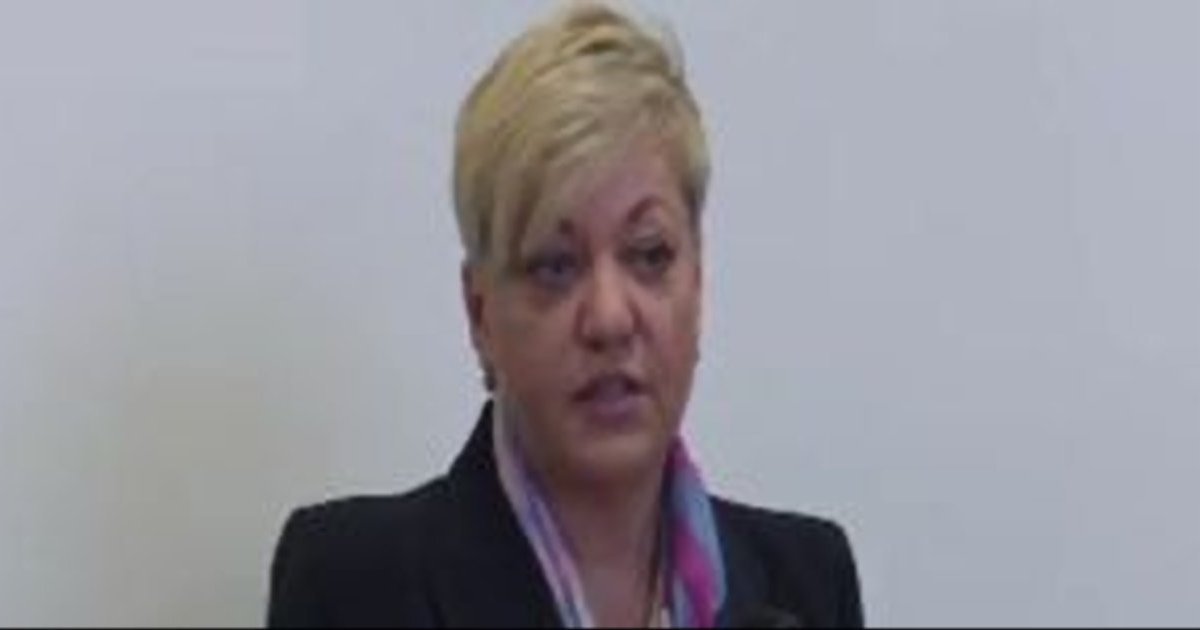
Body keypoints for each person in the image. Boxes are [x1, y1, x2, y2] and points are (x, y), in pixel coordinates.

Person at [267, 2, 864, 627]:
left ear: (698, 283)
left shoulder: (807, 584)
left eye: (650, 255)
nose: (609, 319)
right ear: (480, 315)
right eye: (555, 266)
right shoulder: (352, 584)